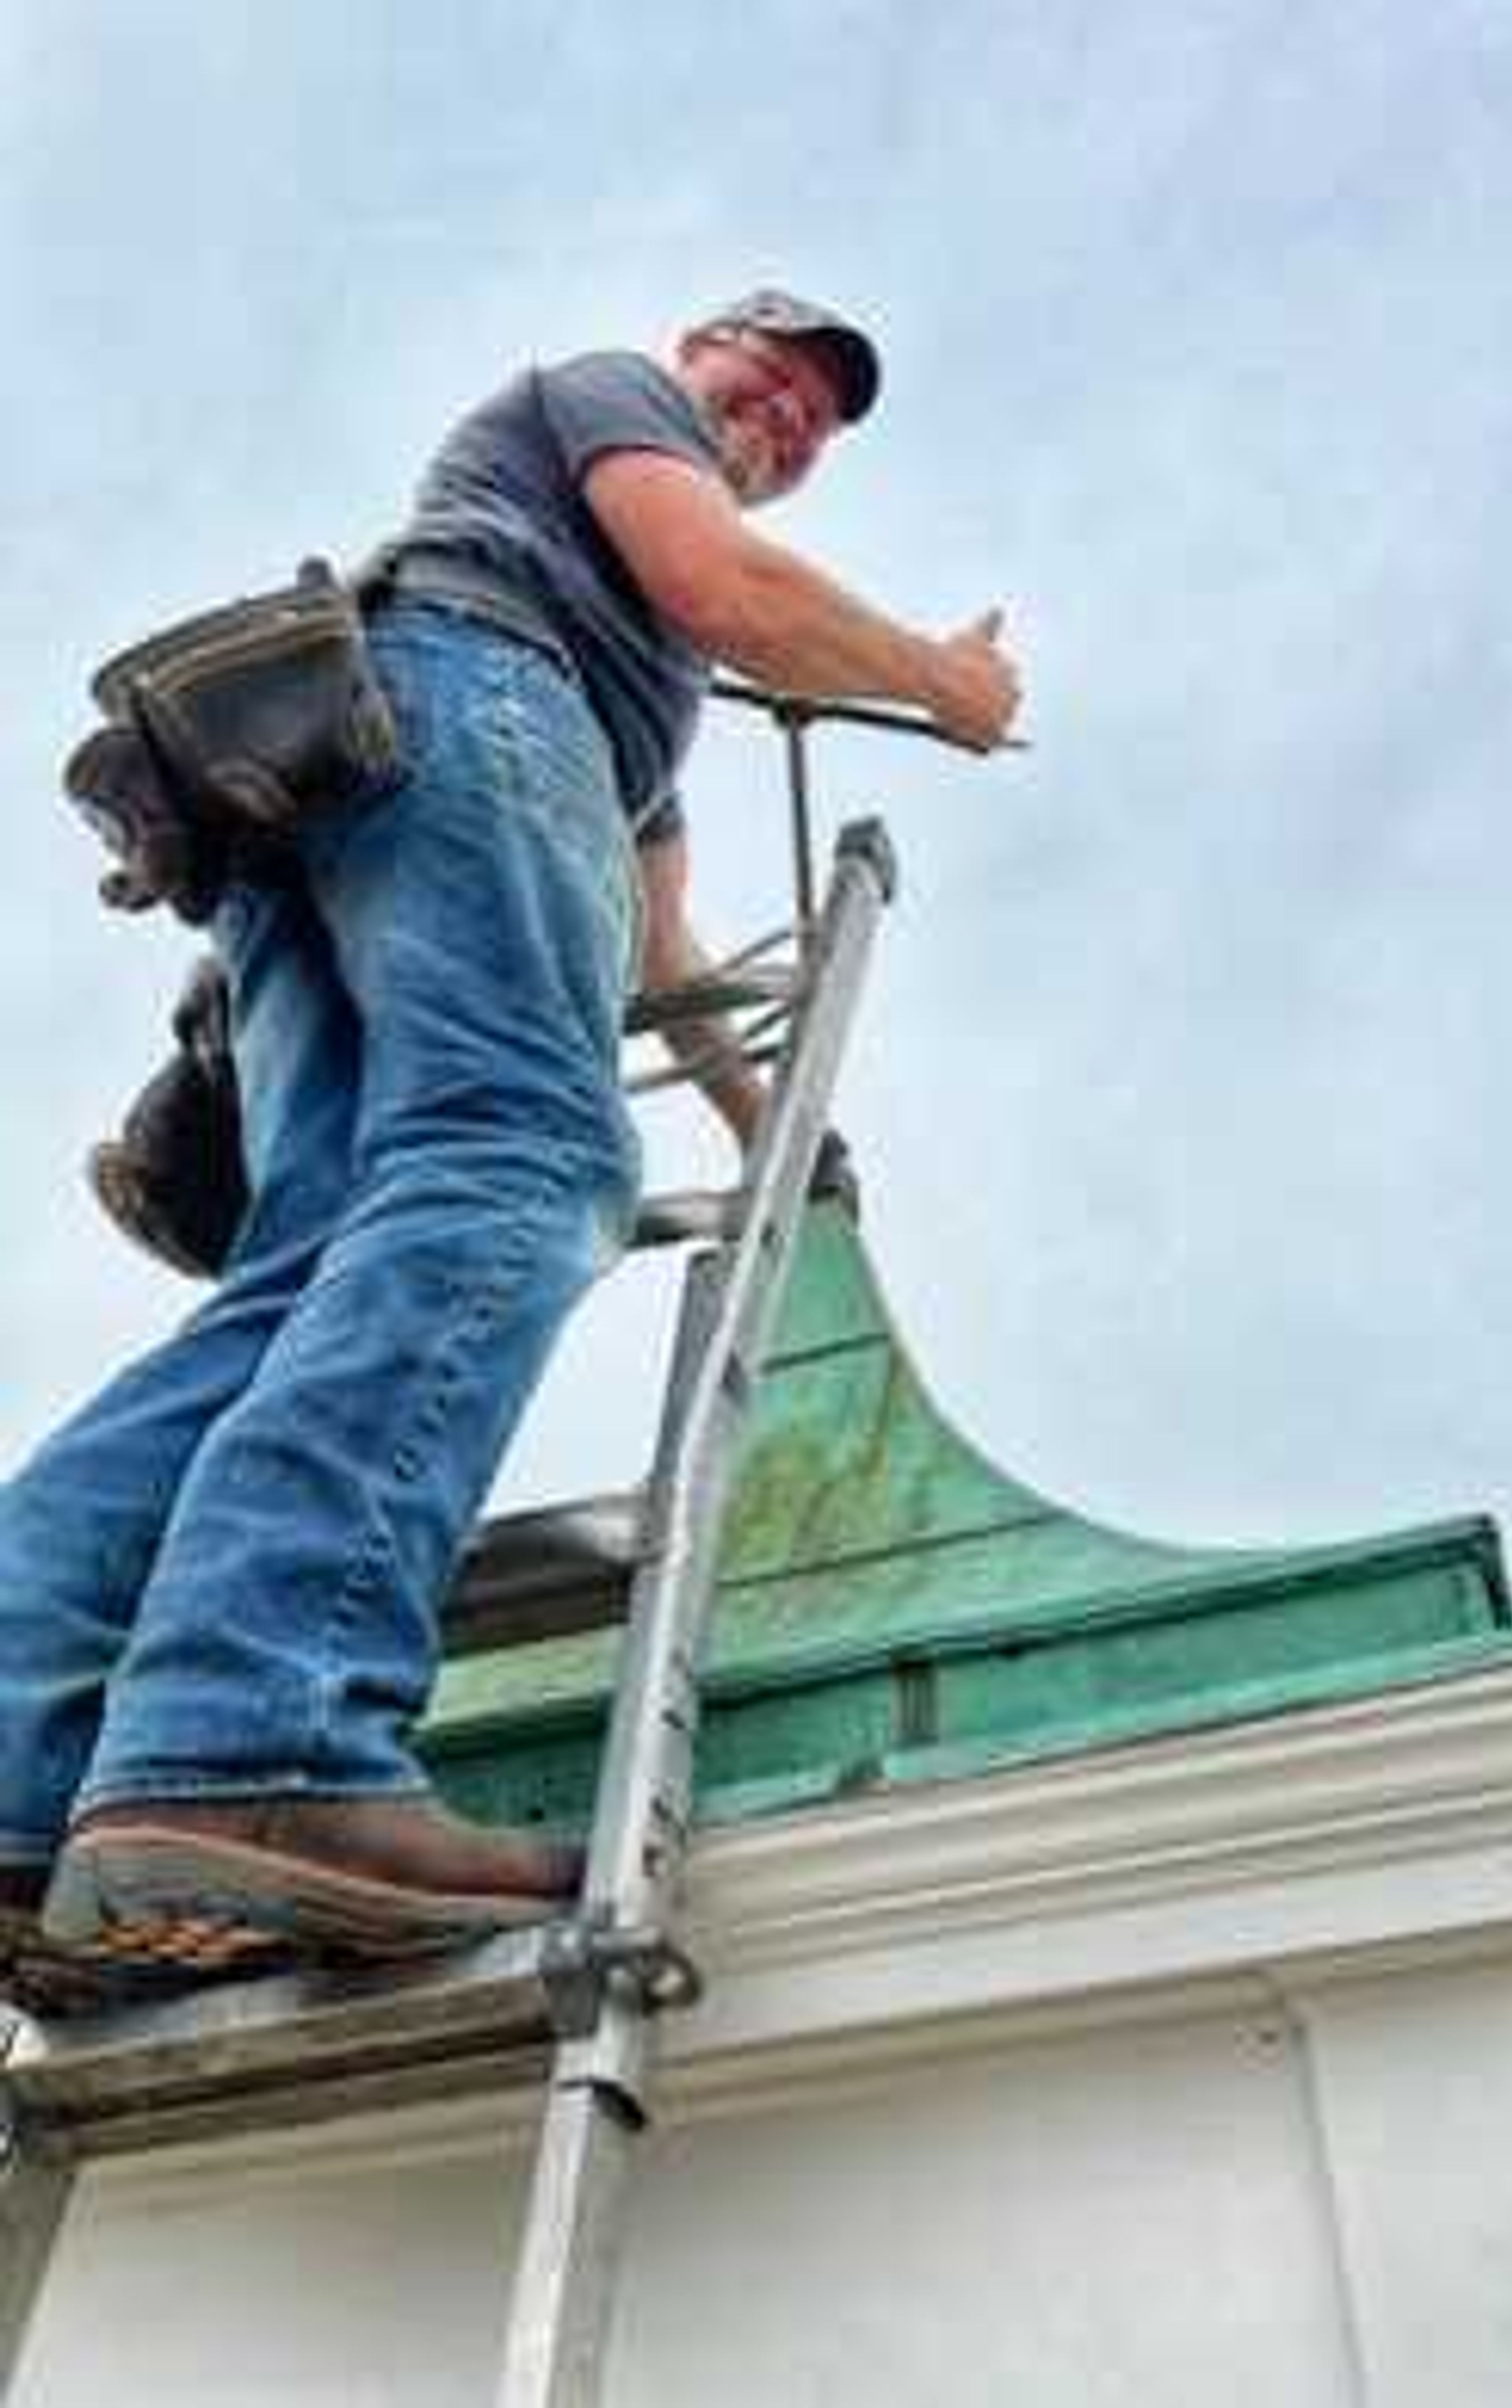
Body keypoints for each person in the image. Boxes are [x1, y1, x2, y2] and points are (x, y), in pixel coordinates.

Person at [0, 289, 1021, 2006]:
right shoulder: (604, 410)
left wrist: (769, 1127)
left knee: (308, 1276)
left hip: (337, 778)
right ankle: (262, 1740)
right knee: (518, 1162)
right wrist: (947, 681)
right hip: (462, 707)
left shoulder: (630, 692)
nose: (776, 417)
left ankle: (19, 1779)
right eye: (761, 379)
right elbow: (730, 592)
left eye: (809, 426)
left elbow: (662, 954)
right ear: (692, 360)